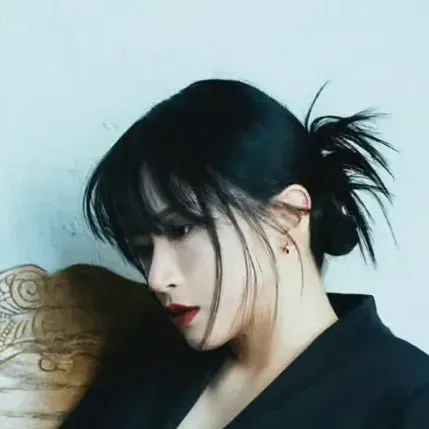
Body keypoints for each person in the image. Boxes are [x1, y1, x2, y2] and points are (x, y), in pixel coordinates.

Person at [60, 79, 429, 428]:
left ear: (287, 217)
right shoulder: (150, 362)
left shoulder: (406, 399)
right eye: (143, 248)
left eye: (180, 229)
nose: (157, 278)